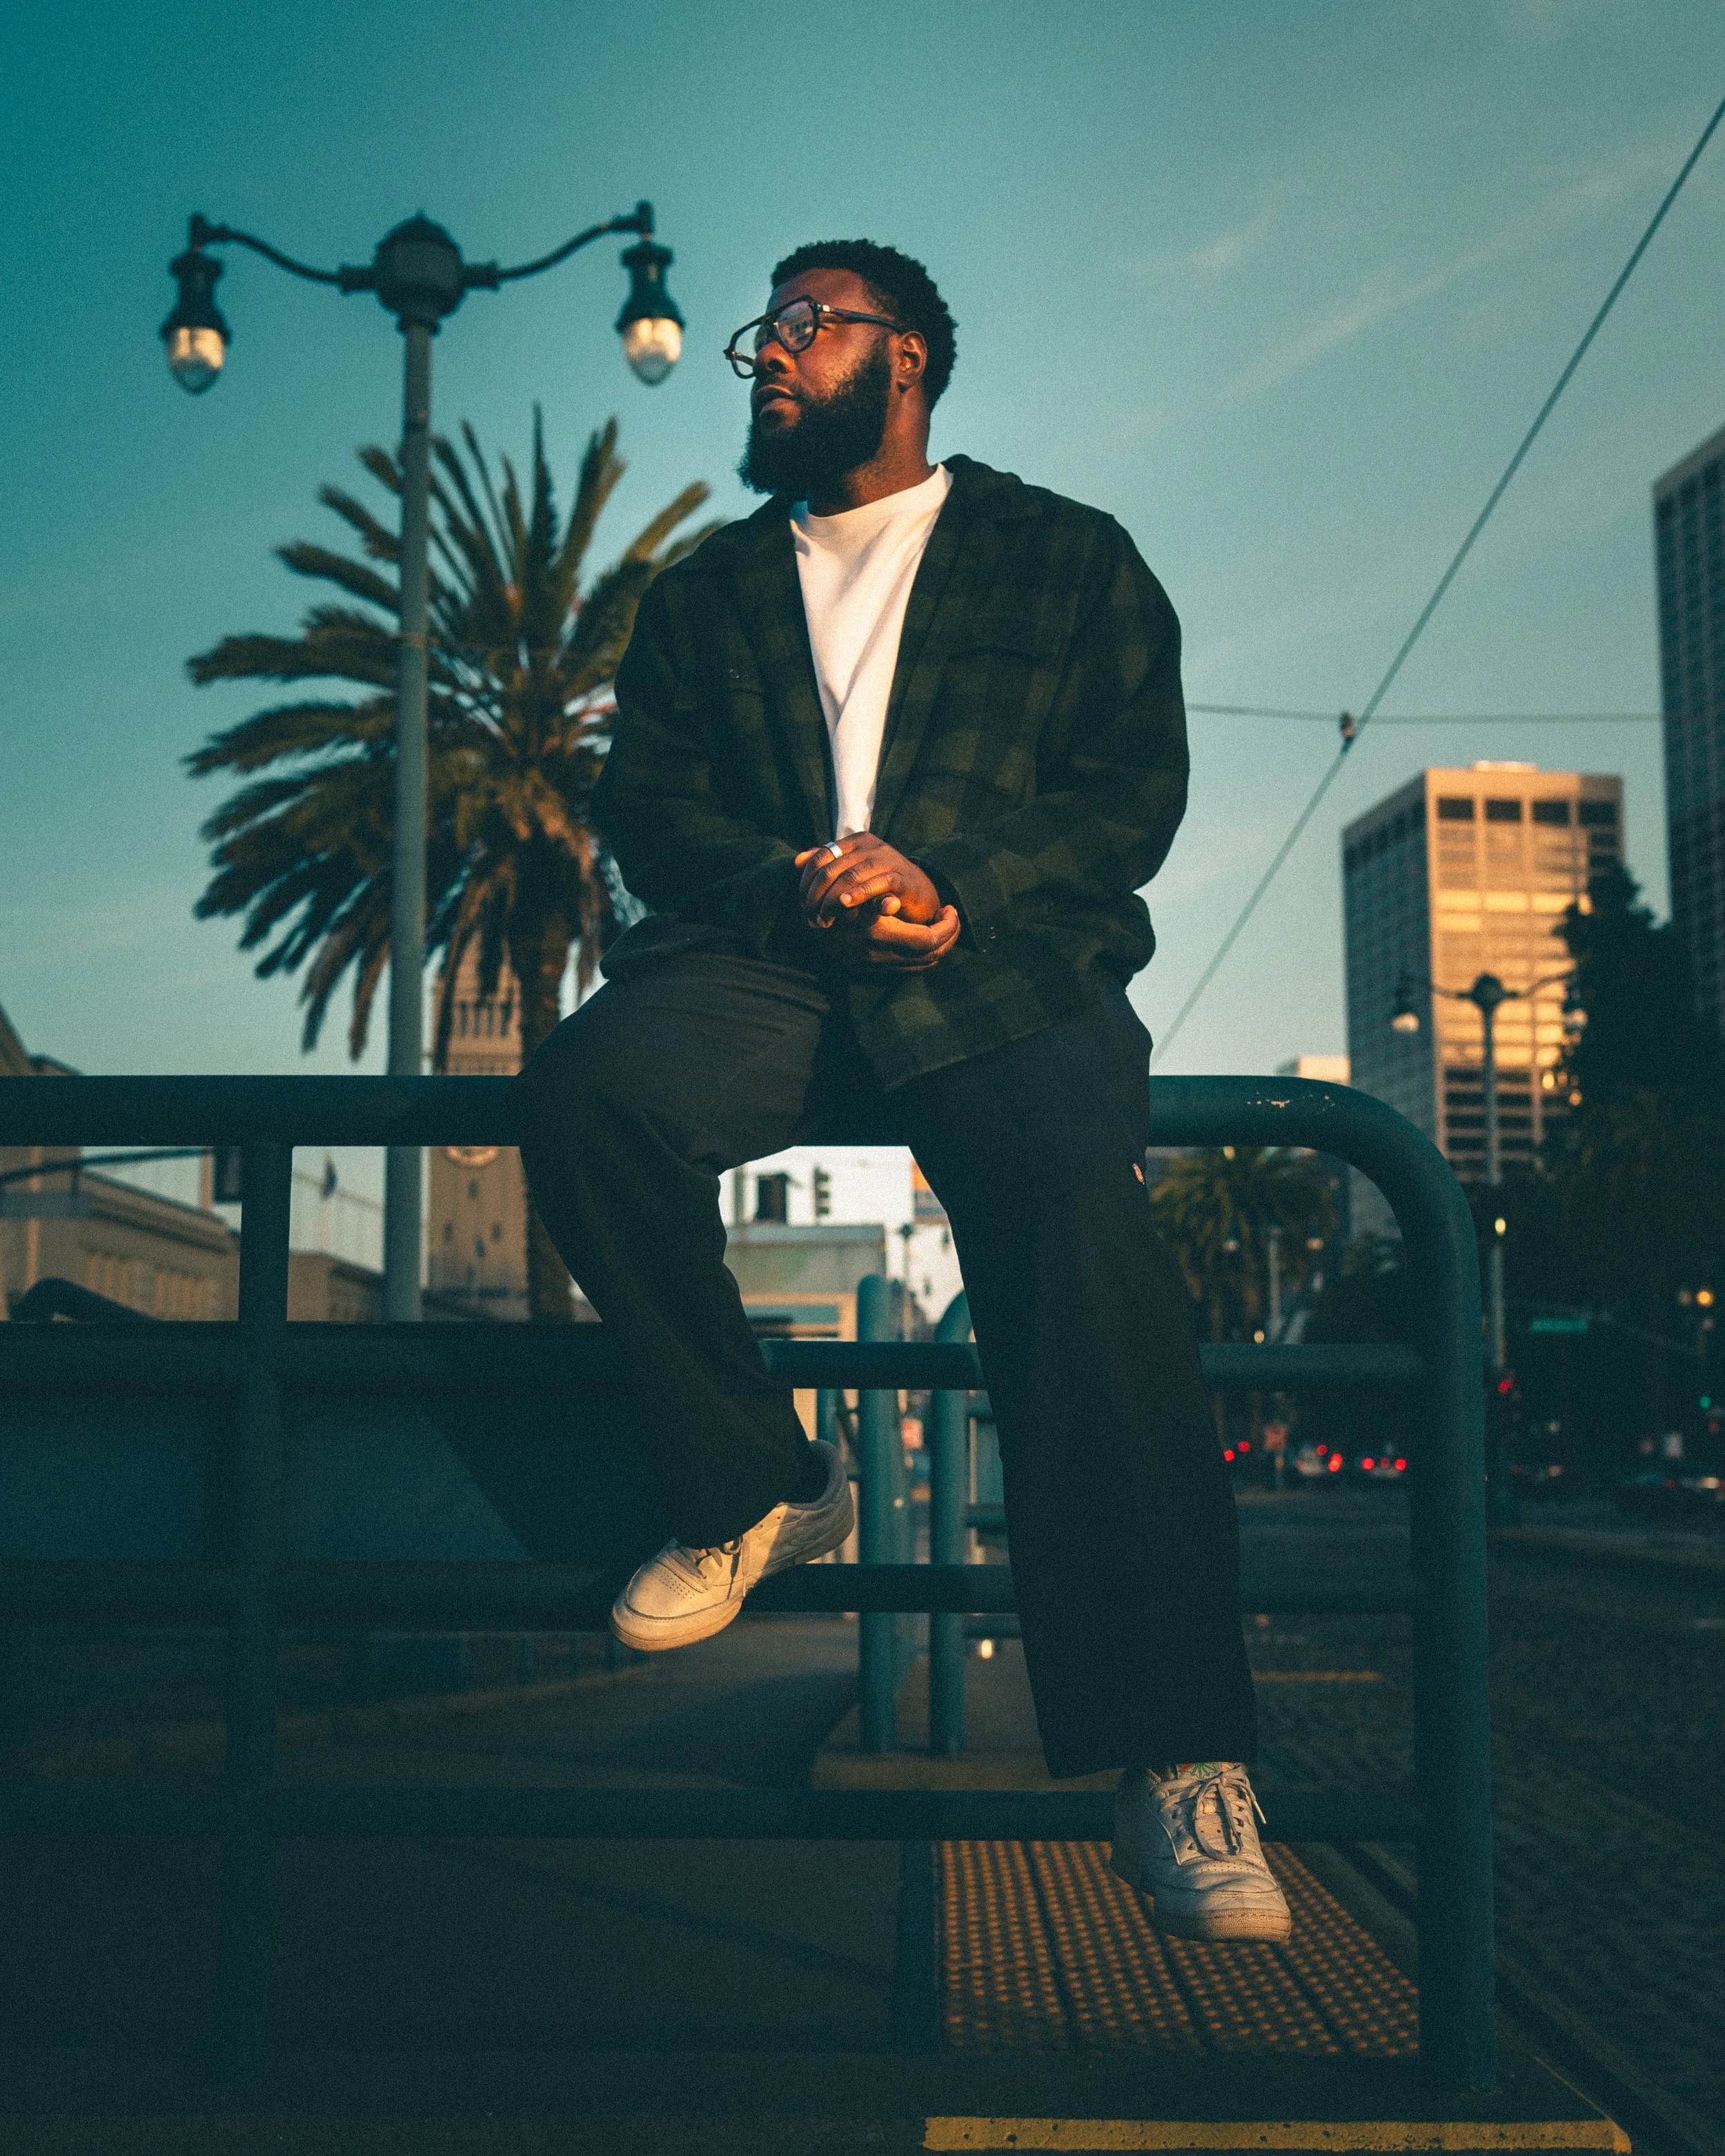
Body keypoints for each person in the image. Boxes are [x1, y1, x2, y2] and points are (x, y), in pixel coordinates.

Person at [516, 239, 1289, 1944]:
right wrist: (790, 880)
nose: (767, 355)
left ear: (909, 359)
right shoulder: (705, 593)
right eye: (760, 332)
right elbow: (650, 812)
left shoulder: (1060, 555)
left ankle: (1175, 1759)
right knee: (585, 1097)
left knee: (1079, 1223)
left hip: (998, 965)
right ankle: (759, 1487)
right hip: (769, 968)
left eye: (807, 325)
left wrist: (955, 883)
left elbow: (1127, 788)